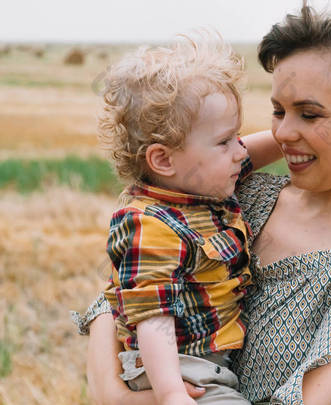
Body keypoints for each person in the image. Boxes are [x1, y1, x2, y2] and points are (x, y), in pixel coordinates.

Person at [74, 4, 331, 405]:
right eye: (278, 110)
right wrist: (112, 392)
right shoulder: (243, 196)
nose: (283, 132)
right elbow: (128, 287)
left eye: (310, 114)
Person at [72, 33, 283, 405]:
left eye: (238, 137)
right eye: (225, 141)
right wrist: (170, 393)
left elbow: (257, 149)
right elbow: (154, 317)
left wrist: (295, 135)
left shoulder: (200, 181)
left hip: (207, 364)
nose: (240, 151)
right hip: (182, 370)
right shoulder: (152, 226)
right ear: (163, 160)